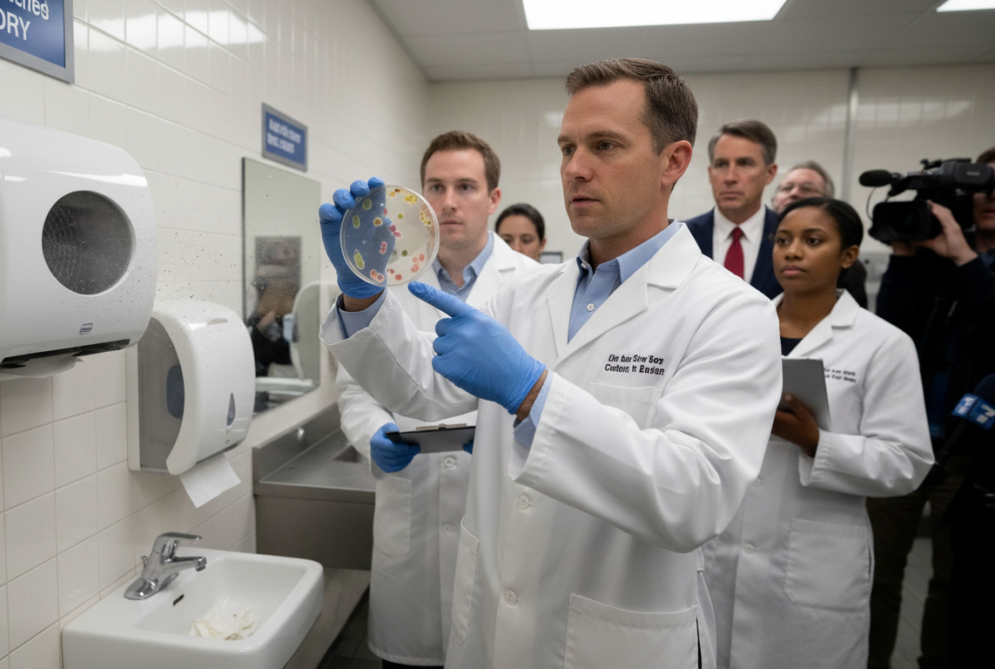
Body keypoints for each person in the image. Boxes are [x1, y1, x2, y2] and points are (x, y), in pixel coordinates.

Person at [318, 58, 782, 668]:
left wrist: (532, 390)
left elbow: (695, 497)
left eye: (604, 145)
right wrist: (362, 295)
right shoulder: (527, 294)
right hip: (490, 627)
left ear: (673, 161)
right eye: (567, 147)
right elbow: (425, 396)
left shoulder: (730, 311)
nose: (575, 169)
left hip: (614, 637)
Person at [335, 131, 537, 669]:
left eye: (466, 186)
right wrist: (370, 435)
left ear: (494, 198)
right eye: (436, 186)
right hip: (412, 513)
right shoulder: (387, 281)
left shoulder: (534, 287)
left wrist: (505, 440)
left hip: (496, 510)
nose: (449, 201)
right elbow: (357, 387)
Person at [703, 197, 933, 669]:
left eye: (813, 241)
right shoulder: (735, 330)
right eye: (783, 240)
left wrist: (815, 441)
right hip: (724, 543)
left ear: (848, 256)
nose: (792, 252)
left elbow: (907, 463)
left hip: (814, 557)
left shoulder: (883, 345)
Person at [869, 147, 995, 669]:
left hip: (973, 452)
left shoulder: (963, 260)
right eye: (983, 186)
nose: (990, 197)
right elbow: (891, 327)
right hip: (906, 436)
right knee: (877, 572)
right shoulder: (932, 255)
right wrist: (906, 255)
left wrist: (964, 258)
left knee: (955, 582)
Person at [685, 120, 782, 298]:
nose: (730, 177)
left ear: (770, 173)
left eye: (744, 164)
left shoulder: (787, 237)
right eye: (721, 164)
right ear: (710, 173)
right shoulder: (682, 238)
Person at [772, 160, 870, 308]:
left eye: (806, 189)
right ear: (774, 200)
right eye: (786, 188)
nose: (794, 193)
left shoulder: (848, 268)